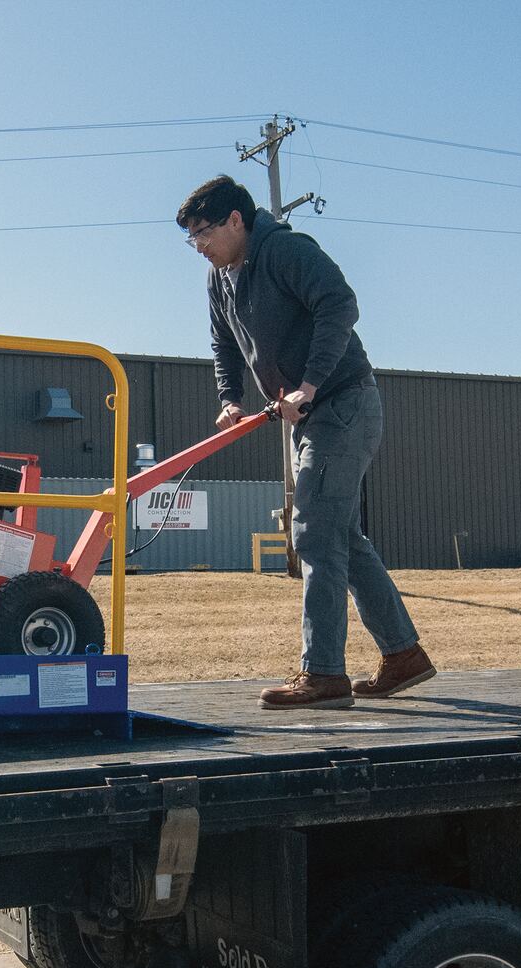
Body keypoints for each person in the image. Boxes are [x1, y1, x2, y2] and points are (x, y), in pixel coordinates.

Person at [177, 174, 434, 709]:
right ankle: (404, 656)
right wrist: (230, 398)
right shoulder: (219, 278)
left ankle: (323, 674)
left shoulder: (285, 250)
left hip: (343, 401)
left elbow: (339, 304)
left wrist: (310, 384)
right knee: (342, 537)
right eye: (191, 237)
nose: (198, 245)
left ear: (235, 220)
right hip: (308, 416)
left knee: (313, 530)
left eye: (203, 232)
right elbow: (223, 342)